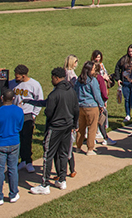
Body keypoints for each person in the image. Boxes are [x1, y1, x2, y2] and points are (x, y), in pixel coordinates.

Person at [29, 67, 79, 195]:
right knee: (63, 153)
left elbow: (49, 112)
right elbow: (76, 109)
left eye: (52, 78)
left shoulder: (54, 94)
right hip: (67, 126)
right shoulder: (71, 91)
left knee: (48, 154)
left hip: (55, 127)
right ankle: (62, 179)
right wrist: (74, 124)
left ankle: (45, 184)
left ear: (57, 78)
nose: (51, 80)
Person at [0, 88, 23, 205]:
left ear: (2, 98)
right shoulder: (19, 111)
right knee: (13, 169)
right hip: (14, 142)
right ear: (13, 99)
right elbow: (20, 127)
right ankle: (13, 194)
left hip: (0, 144)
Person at [7, 64, 43, 174]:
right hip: (14, 115)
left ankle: (28, 161)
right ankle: (21, 160)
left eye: (17, 77)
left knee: (27, 139)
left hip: (27, 114)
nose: (15, 79)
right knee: (17, 138)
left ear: (24, 76)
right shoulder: (12, 83)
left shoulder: (34, 85)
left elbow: (39, 100)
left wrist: (34, 114)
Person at [74, 61, 104, 155]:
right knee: (92, 127)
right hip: (91, 106)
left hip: (80, 106)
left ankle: (78, 146)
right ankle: (90, 148)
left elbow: (75, 92)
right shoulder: (92, 80)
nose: (95, 70)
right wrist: (101, 105)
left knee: (81, 127)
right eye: (93, 69)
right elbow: (97, 94)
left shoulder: (79, 80)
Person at [114, 44, 132, 122]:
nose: (130, 53)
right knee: (127, 99)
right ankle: (128, 115)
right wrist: (118, 79)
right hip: (126, 83)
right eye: (129, 51)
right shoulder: (124, 59)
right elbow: (117, 68)